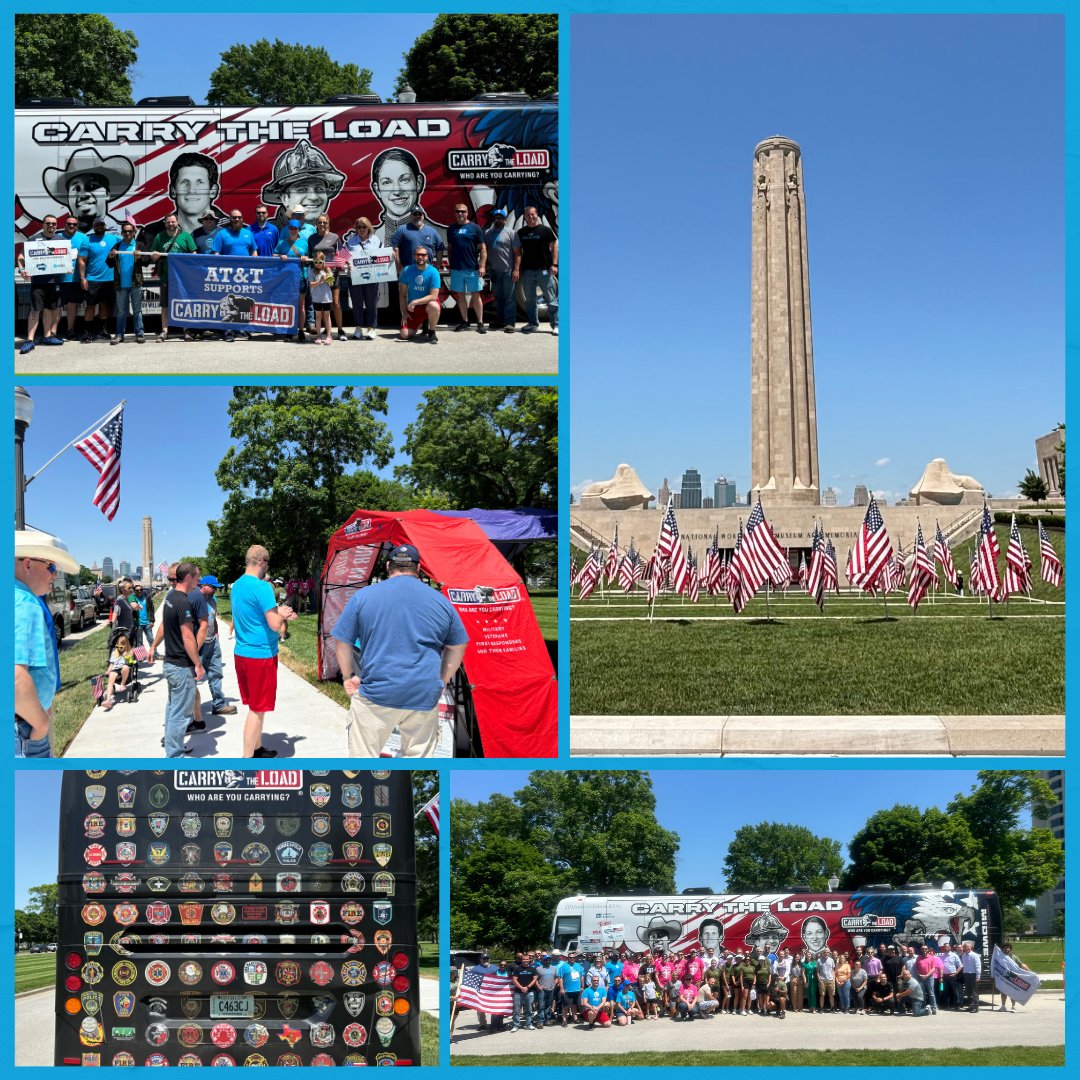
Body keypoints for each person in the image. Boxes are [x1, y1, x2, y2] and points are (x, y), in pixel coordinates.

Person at [330, 542, 467, 759]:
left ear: (387, 566)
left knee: (362, 759)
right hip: (423, 694)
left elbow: (342, 642)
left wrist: (348, 676)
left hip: (376, 693)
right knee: (418, 761)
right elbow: (457, 646)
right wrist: (442, 679)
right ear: (419, 569)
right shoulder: (441, 601)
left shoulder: (363, 597)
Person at [15, 530, 78, 757]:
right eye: (51, 567)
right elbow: (14, 678)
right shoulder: (25, 603)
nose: (55, 575)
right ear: (28, 564)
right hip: (23, 729)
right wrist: (40, 724)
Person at [230, 544, 296, 757]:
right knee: (257, 710)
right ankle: (246, 762)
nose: (267, 567)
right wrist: (283, 614)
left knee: (257, 705)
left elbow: (255, 614)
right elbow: (275, 624)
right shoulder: (263, 587)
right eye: (267, 562)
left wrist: (278, 612)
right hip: (261, 655)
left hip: (242, 652)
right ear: (261, 561)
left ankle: (257, 749)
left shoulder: (238, 585)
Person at [160, 562, 205, 758]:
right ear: (188, 577)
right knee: (180, 714)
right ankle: (174, 756)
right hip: (180, 666)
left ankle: (172, 747)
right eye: (197, 577)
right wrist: (197, 663)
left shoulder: (170, 597)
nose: (199, 581)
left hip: (170, 663)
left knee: (172, 709)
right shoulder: (183, 602)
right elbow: (188, 637)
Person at [262, 139, 345, 232]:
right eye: (302, 189)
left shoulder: (330, 235)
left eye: (319, 189)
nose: (313, 197)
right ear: (285, 198)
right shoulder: (270, 233)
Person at [43, 147, 133, 233]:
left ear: (107, 193)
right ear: (68, 197)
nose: (83, 194)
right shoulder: (61, 238)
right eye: (76, 188)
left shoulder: (120, 233)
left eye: (92, 186)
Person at [143, 151, 225, 238]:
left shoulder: (229, 229)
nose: (191, 190)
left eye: (200, 182)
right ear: (173, 190)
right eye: (184, 182)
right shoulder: (152, 233)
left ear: (213, 191)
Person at [17, 213, 66, 352]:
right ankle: (30, 340)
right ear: (43, 224)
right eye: (48, 223)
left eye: (54, 224)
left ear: (57, 226)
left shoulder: (60, 240)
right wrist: (22, 270)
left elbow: (66, 258)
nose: (51, 226)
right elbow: (21, 256)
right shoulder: (34, 239)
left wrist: (67, 267)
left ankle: (47, 337)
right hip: (38, 282)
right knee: (35, 310)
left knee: (50, 310)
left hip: (55, 282)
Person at [149, 213, 197, 341]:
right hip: (166, 277)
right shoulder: (159, 237)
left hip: (182, 278)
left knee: (183, 304)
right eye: (168, 222)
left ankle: (186, 330)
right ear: (165, 223)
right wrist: (155, 255)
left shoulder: (185, 236)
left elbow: (193, 253)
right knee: (165, 306)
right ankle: (164, 331)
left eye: (173, 222)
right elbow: (152, 256)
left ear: (177, 222)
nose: (170, 224)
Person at [517, 204, 558, 335]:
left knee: (550, 298)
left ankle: (556, 325)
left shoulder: (545, 231)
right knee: (530, 299)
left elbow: (554, 247)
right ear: (524, 217)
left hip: (544, 270)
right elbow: (518, 252)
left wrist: (554, 265)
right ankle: (533, 323)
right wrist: (518, 268)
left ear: (537, 215)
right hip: (528, 271)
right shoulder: (521, 232)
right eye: (528, 214)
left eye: (533, 214)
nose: (530, 216)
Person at [447, 202, 487, 333]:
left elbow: (483, 249)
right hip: (457, 269)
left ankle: (480, 322)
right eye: (457, 211)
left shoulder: (475, 228)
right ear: (454, 213)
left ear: (467, 213)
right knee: (461, 296)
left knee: (476, 295)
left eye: (462, 211)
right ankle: (465, 321)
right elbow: (451, 248)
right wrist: (451, 265)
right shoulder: (451, 229)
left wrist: (482, 266)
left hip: (472, 268)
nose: (460, 214)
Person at [107, 220, 148, 344]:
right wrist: (110, 257)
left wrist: (140, 257)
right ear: (121, 233)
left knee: (137, 310)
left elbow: (147, 261)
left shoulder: (139, 245)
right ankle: (119, 335)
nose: (127, 233)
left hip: (136, 282)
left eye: (130, 231)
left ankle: (140, 334)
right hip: (120, 284)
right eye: (125, 231)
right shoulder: (117, 246)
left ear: (134, 232)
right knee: (121, 311)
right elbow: (109, 264)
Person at [81, 217, 120, 342]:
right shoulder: (88, 240)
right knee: (91, 305)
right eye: (97, 224)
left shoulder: (113, 239)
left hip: (109, 279)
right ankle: (87, 332)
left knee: (105, 305)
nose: (99, 226)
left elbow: (128, 241)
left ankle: (102, 330)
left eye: (101, 224)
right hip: (92, 279)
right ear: (93, 226)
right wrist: (83, 278)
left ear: (105, 226)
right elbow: (81, 261)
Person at [309, 214, 347, 339]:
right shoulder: (312, 238)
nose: (322, 225)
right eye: (320, 222)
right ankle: (326, 330)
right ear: (316, 224)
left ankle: (340, 330)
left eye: (324, 222)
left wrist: (348, 263)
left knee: (335, 303)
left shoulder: (335, 237)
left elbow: (343, 254)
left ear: (328, 223)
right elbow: (310, 257)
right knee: (322, 302)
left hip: (332, 273)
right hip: (318, 275)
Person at [483, 207, 521, 332]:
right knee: (498, 297)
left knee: (509, 298)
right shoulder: (488, 233)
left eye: (500, 218)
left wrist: (516, 269)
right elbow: (485, 251)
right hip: (494, 271)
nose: (498, 220)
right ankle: (499, 320)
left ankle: (510, 323)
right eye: (496, 218)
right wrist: (487, 267)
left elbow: (517, 253)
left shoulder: (511, 233)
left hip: (508, 271)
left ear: (505, 220)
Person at [397, 247, 442, 343]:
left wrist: (415, 301)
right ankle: (421, 323)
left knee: (433, 305)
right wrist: (404, 313)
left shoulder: (433, 272)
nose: (420, 257)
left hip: (427, 305)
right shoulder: (407, 270)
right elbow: (402, 294)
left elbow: (434, 296)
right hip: (414, 309)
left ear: (428, 257)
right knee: (404, 335)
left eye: (423, 255)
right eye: (418, 255)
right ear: (414, 256)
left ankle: (432, 331)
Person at [275, 219, 311, 341]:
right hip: (286, 279)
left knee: (301, 305)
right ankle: (289, 330)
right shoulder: (282, 243)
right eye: (291, 228)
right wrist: (280, 256)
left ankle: (300, 330)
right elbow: (273, 255)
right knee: (288, 305)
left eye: (295, 228)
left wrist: (306, 258)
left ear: (299, 230)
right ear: (288, 229)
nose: (293, 230)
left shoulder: (304, 243)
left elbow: (310, 258)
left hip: (301, 277)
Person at [346, 216, 380, 340]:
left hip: (371, 277)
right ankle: (358, 328)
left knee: (371, 303)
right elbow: (343, 255)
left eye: (364, 227)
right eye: (359, 227)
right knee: (357, 303)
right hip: (354, 277)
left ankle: (371, 328)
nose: (361, 229)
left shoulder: (376, 241)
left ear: (369, 227)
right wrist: (346, 262)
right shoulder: (351, 241)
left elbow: (382, 257)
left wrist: (390, 255)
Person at [58, 215, 90, 340]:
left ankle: (70, 330)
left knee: (72, 306)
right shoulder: (57, 237)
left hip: (75, 279)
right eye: (68, 224)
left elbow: (85, 259)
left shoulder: (83, 238)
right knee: (55, 307)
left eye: (74, 224)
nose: (71, 226)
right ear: (64, 225)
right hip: (58, 279)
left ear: (77, 226)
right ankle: (51, 332)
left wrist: (83, 278)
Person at [308, 250, 335, 345]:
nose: (318, 264)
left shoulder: (327, 269)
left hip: (327, 297)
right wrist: (320, 281)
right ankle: (318, 335)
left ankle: (329, 335)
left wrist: (328, 279)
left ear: (323, 261)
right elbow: (311, 284)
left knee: (327, 316)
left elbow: (331, 284)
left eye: (320, 262)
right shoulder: (311, 270)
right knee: (318, 316)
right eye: (316, 262)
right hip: (316, 298)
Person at [102, 632, 135, 711]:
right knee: (111, 678)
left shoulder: (129, 652)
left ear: (125, 646)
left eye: (121, 647)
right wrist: (108, 671)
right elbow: (112, 664)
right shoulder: (114, 652)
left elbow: (131, 662)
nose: (119, 648)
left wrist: (126, 656)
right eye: (117, 646)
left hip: (125, 668)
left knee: (125, 667)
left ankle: (123, 684)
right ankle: (108, 701)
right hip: (116, 668)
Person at [509, 952, 537, 1031]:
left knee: (529, 1009)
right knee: (516, 1009)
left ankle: (528, 1024)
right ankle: (516, 1025)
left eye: (527, 959)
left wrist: (527, 987)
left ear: (529, 960)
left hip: (529, 991)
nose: (525, 961)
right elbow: (514, 980)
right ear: (521, 960)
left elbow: (535, 979)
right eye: (524, 959)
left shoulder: (533, 968)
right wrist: (521, 987)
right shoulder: (517, 969)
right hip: (518, 992)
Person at [557, 952, 585, 1025]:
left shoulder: (578, 966)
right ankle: (564, 1020)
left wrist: (582, 986)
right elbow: (560, 978)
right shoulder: (563, 966)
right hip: (567, 990)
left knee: (574, 1004)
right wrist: (561, 988)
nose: (572, 959)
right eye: (570, 957)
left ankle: (575, 1018)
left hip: (577, 989)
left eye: (573, 957)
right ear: (567, 958)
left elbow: (582, 976)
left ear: (575, 958)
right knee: (565, 1005)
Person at [939, 941, 963, 1010]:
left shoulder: (954, 955)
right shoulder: (941, 956)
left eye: (947, 947)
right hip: (943, 977)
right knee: (943, 990)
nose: (946, 948)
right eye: (945, 947)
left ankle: (956, 1005)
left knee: (954, 991)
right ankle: (945, 1005)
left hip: (952, 976)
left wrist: (955, 973)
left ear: (950, 947)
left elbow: (960, 966)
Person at [960, 941, 982, 1012]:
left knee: (974, 992)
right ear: (964, 947)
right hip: (966, 974)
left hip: (973, 974)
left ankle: (976, 1007)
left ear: (971, 947)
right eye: (965, 947)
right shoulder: (963, 955)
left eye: (968, 947)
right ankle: (970, 1006)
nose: (967, 948)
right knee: (968, 992)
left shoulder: (974, 955)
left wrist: (978, 976)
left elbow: (978, 966)